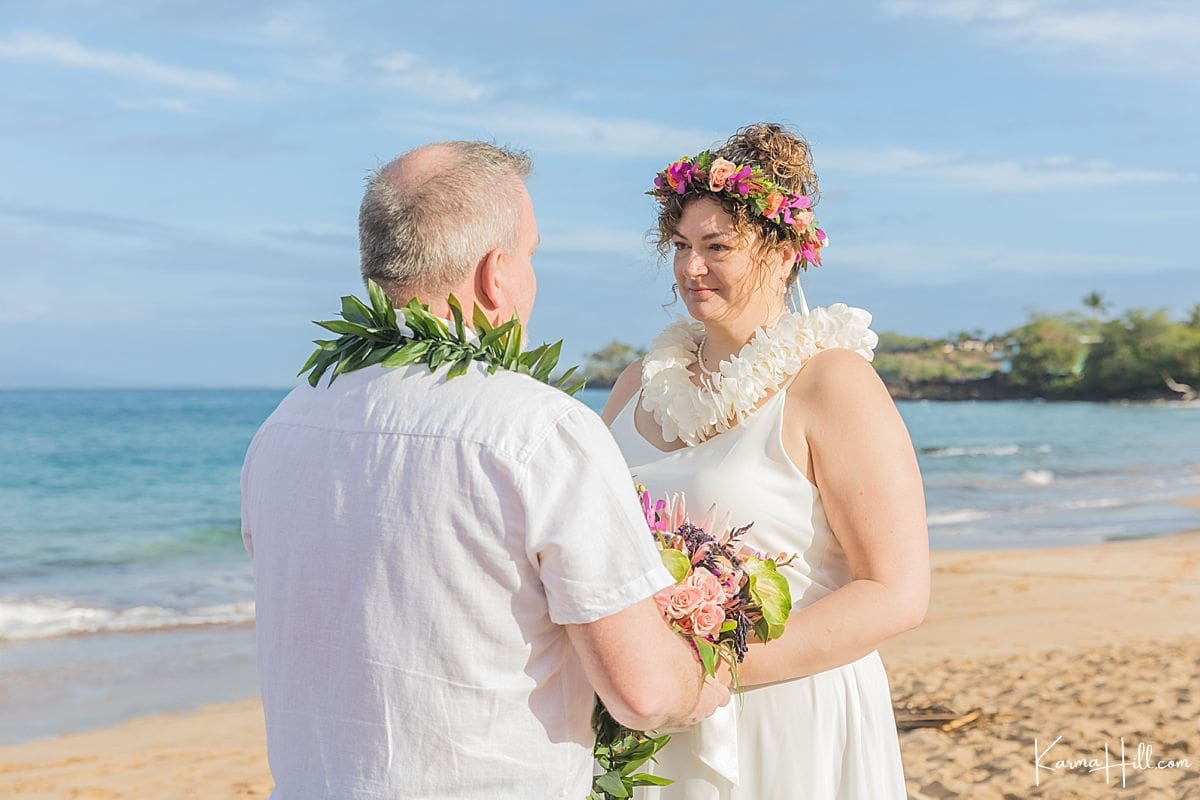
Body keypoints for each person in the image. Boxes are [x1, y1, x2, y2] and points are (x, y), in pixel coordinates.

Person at [241, 140, 730, 800]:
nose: (531, 278)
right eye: (530, 255)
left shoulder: (281, 430)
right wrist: (713, 673)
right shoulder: (541, 431)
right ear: (495, 274)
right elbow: (641, 693)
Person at [602, 123, 930, 799]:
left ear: (784, 253)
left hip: (786, 713)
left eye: (717, 247)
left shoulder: (831, 382)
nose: (691, 268)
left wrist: (713, 674)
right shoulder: (635, 385)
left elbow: (896, 593)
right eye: (682, 246)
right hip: (646, 715)